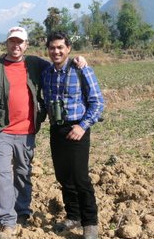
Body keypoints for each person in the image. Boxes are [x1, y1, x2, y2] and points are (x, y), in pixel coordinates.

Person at [0, 26, 86, 239]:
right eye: (12, 42)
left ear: (26, 45)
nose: (16, 46)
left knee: (22, 173)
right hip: (1, 130)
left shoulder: (35, 64)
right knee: (1, 175)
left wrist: (78, 60)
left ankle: (22, 212)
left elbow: (59, 64)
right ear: (7, 43)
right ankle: (7, 222)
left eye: (20, 42)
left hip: (27, 132)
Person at [41, 31, 104, 239]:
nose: (56, 51)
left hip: (77, 129)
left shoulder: (81, 70)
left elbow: (97, 102)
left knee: (80, 177)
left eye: (60, 47)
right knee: (63, 176)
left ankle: (90, 223)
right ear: (48, 50)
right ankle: (73, 216)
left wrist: (83, 126)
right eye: (52, 47)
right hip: (56, 129)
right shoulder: (46, 73)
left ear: (68, 49)